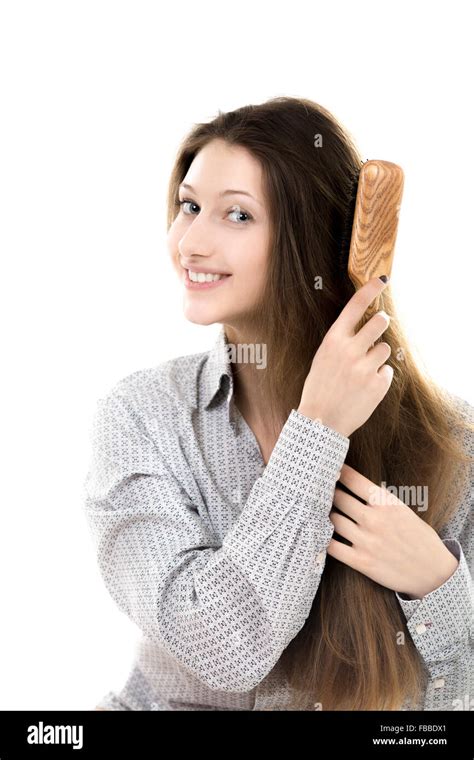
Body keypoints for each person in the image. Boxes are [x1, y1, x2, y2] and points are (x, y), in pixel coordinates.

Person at [83, 96, 473, 711]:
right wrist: (316, 431)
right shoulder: (144, 419)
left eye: (236, 216)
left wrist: (439, 587)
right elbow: (223, 650)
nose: (190, 241)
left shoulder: (453, 440)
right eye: (189, 206)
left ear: (314, 239)